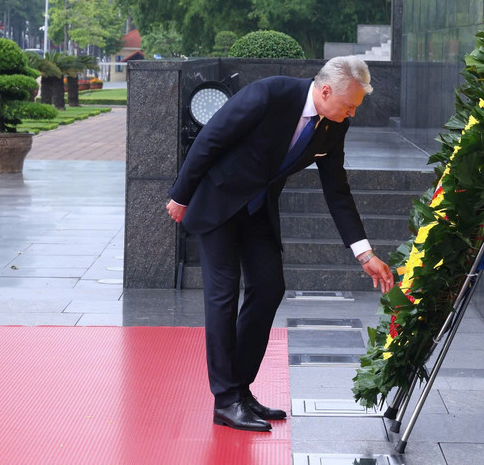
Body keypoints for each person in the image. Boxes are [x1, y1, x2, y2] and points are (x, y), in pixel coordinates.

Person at [166, 55, 395, 432]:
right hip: (217, 201)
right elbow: (211, 137)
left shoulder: (334, 125)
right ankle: (225, 401)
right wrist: (181, 195)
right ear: (326, 91)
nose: (352, 113)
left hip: (257, 210)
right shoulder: (270, 94)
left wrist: (364, 252)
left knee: (269, 287)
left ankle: (240, 390)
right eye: (350, 105)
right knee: (223, 295)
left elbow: (337, 189)